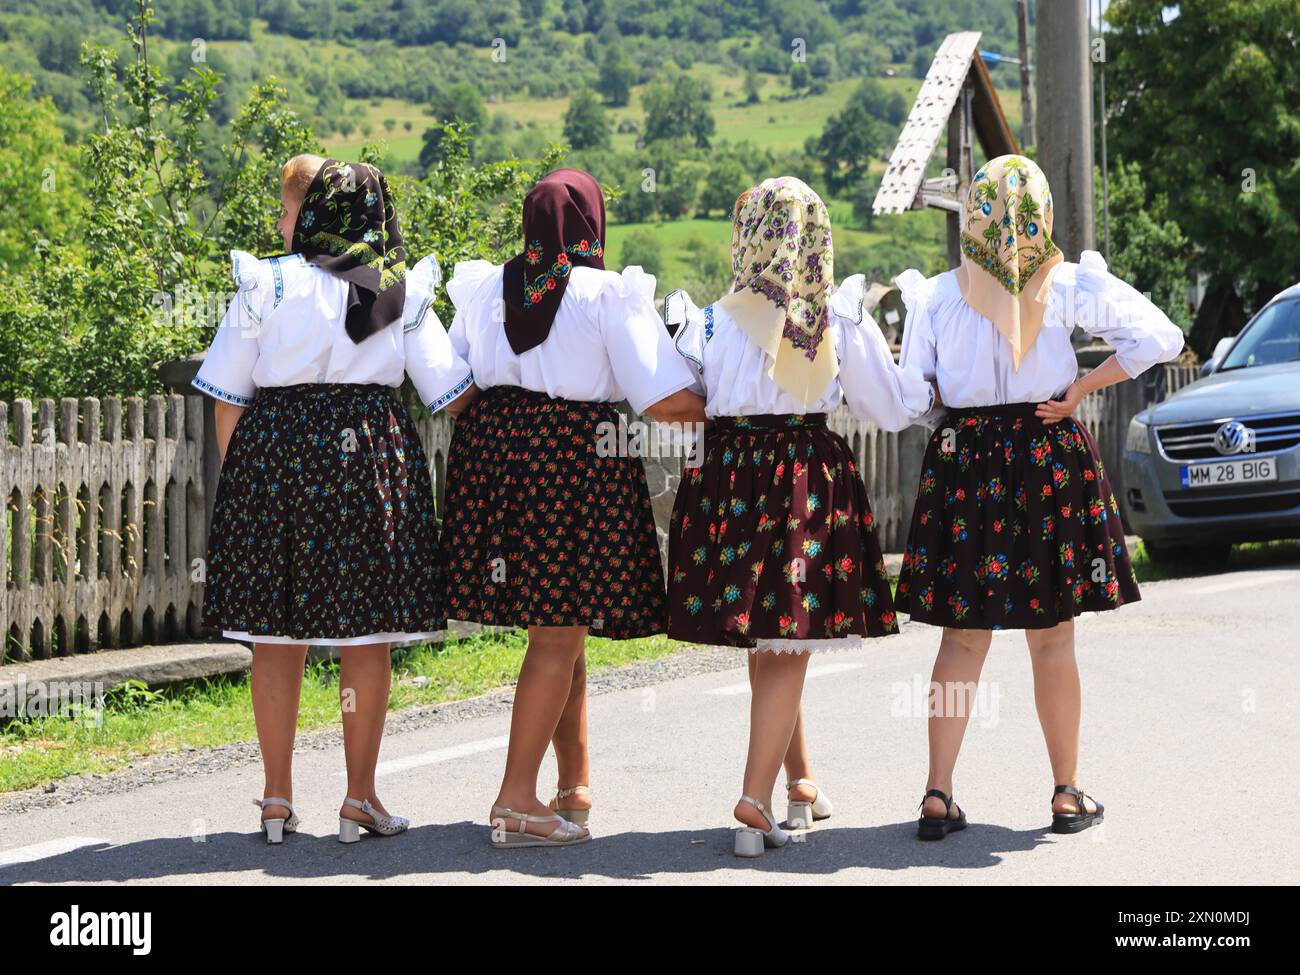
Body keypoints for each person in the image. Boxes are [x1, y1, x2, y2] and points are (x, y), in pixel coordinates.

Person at [893, 154, 1184, 839]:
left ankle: (938, 793)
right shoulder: (1069, 283)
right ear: (1042, 213)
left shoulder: (936, 295)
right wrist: (1080, 389)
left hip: (966, 463)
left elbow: (912, 397)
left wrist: (951, 418)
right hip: (1046, 454)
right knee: (1051, 638)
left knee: (963, 639)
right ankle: (1065, 793)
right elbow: (1160, 337)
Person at [193, 155, 477, 844]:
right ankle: (359, 797)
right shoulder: (394, 291)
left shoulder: (266, 281)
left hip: (274, 457)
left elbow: (226, 398)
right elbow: (451, 393)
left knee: (275, 634)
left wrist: (252, 482)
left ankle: (276, 798)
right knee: (365, 633)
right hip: (368, 458)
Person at [663, 178, 935, 857]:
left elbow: (683, 392)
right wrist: (932, 386)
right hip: (801, 475)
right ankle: (754, 802)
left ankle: (801, 782)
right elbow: (890, 410)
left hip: (731, 472)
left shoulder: (709, 319)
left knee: (773, 634)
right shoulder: (838, 317)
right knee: (786, 636)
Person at [438, 168, 706, 849]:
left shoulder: (486, 288)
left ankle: (572, 784)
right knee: (559, 632)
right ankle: (516, 799)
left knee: (558, 623)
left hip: (497, 456)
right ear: (591, 224)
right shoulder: (605, 293)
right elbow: (663, 399)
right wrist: (729, 417)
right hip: (575, 459)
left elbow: (456, 385)